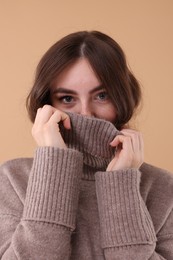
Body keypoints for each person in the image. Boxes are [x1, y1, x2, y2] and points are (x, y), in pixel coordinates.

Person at [0, 31, 172, 260]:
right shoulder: (13, 180)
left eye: (102, 96)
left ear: (123, 99)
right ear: (47, 105)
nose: (86, 113)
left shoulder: (162, 186)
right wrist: (54, 166)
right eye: (67, 99)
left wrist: (122, 185)